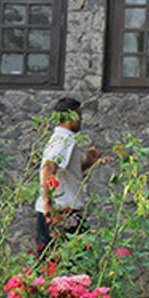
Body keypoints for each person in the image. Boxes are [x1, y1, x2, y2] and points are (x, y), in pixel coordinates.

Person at [34, 97, 107, 258]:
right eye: (79, 115)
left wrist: (88, 162)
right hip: (60, 213)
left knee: (65, 270)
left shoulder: (62, 138)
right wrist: (47, 204)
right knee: (66, 268)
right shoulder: (64, 139)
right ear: (72, 116)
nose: (81, 120)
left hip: (63, 211)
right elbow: (48, 168)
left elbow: (64, 172)